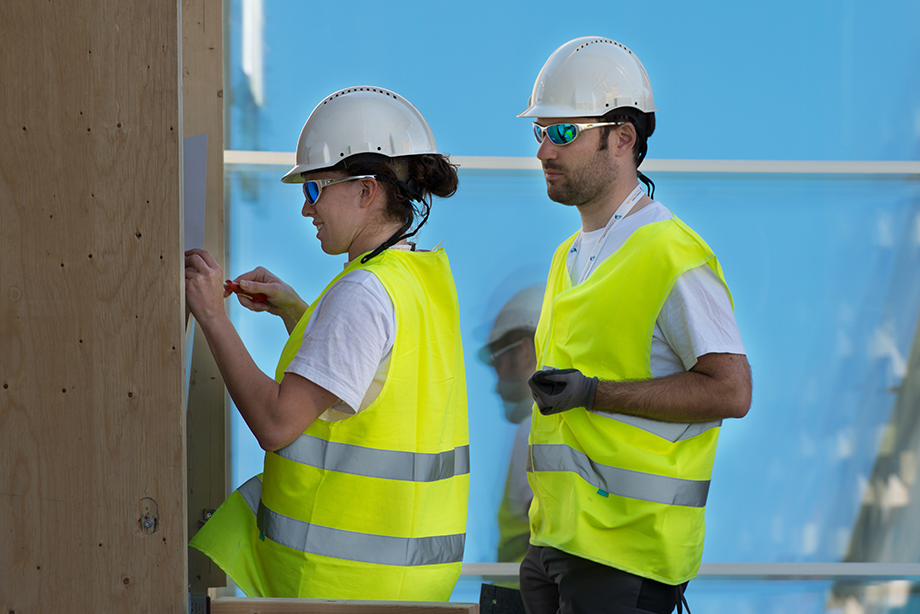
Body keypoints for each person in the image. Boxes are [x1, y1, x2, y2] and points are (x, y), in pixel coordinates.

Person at [185, 86, 469, 601]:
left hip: (336, 589)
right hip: (403, 591)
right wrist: (297, 312)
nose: (305, 209)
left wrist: (211, 315)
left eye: (314, 189)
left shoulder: (362, 293)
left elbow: (276, 424)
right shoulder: (419, 280)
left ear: (366, 191)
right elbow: (372, 384)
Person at [516, 37, 752, 614]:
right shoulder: (567, 256)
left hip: (627, 557)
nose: (545, 150)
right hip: (555, 546)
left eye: (565, 131)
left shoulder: (671, 253)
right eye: (541, 132)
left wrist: (595, 393)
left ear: (623, 137)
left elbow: (731, 390)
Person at [478, 285, 543, 563]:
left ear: (523, 352)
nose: (495, 386)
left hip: (521, 599)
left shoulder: (534, 428)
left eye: (498, 362)